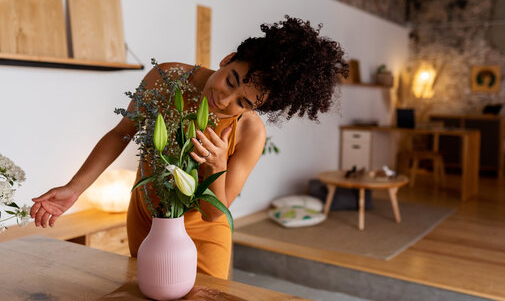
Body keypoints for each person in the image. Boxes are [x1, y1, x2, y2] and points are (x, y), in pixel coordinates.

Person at [30, 16, 348, 279]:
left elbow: (213, 213)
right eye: (231, 80)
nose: (224, 100)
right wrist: (74, 189)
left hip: (201, 240)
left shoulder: (250, 133)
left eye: (243, 102)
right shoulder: (167, 78)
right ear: (226, 60)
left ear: (258, 107)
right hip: (146, 221)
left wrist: (216, 165)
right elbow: (121, 133)